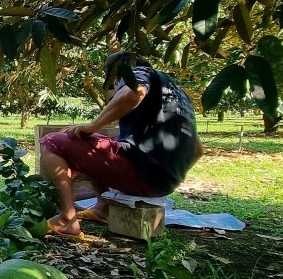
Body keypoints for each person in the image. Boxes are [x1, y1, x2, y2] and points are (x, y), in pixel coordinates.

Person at [38, 51, 203, 237]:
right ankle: (104, 208)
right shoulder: (178, 94)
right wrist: (169, 174)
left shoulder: (138, 73)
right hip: (164, 183)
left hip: (142, 173)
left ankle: (67, 219)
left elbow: (134, 93)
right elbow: (198, 150)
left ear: (117, 76)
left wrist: (93, 125)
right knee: (95, 145)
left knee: (51, 142)